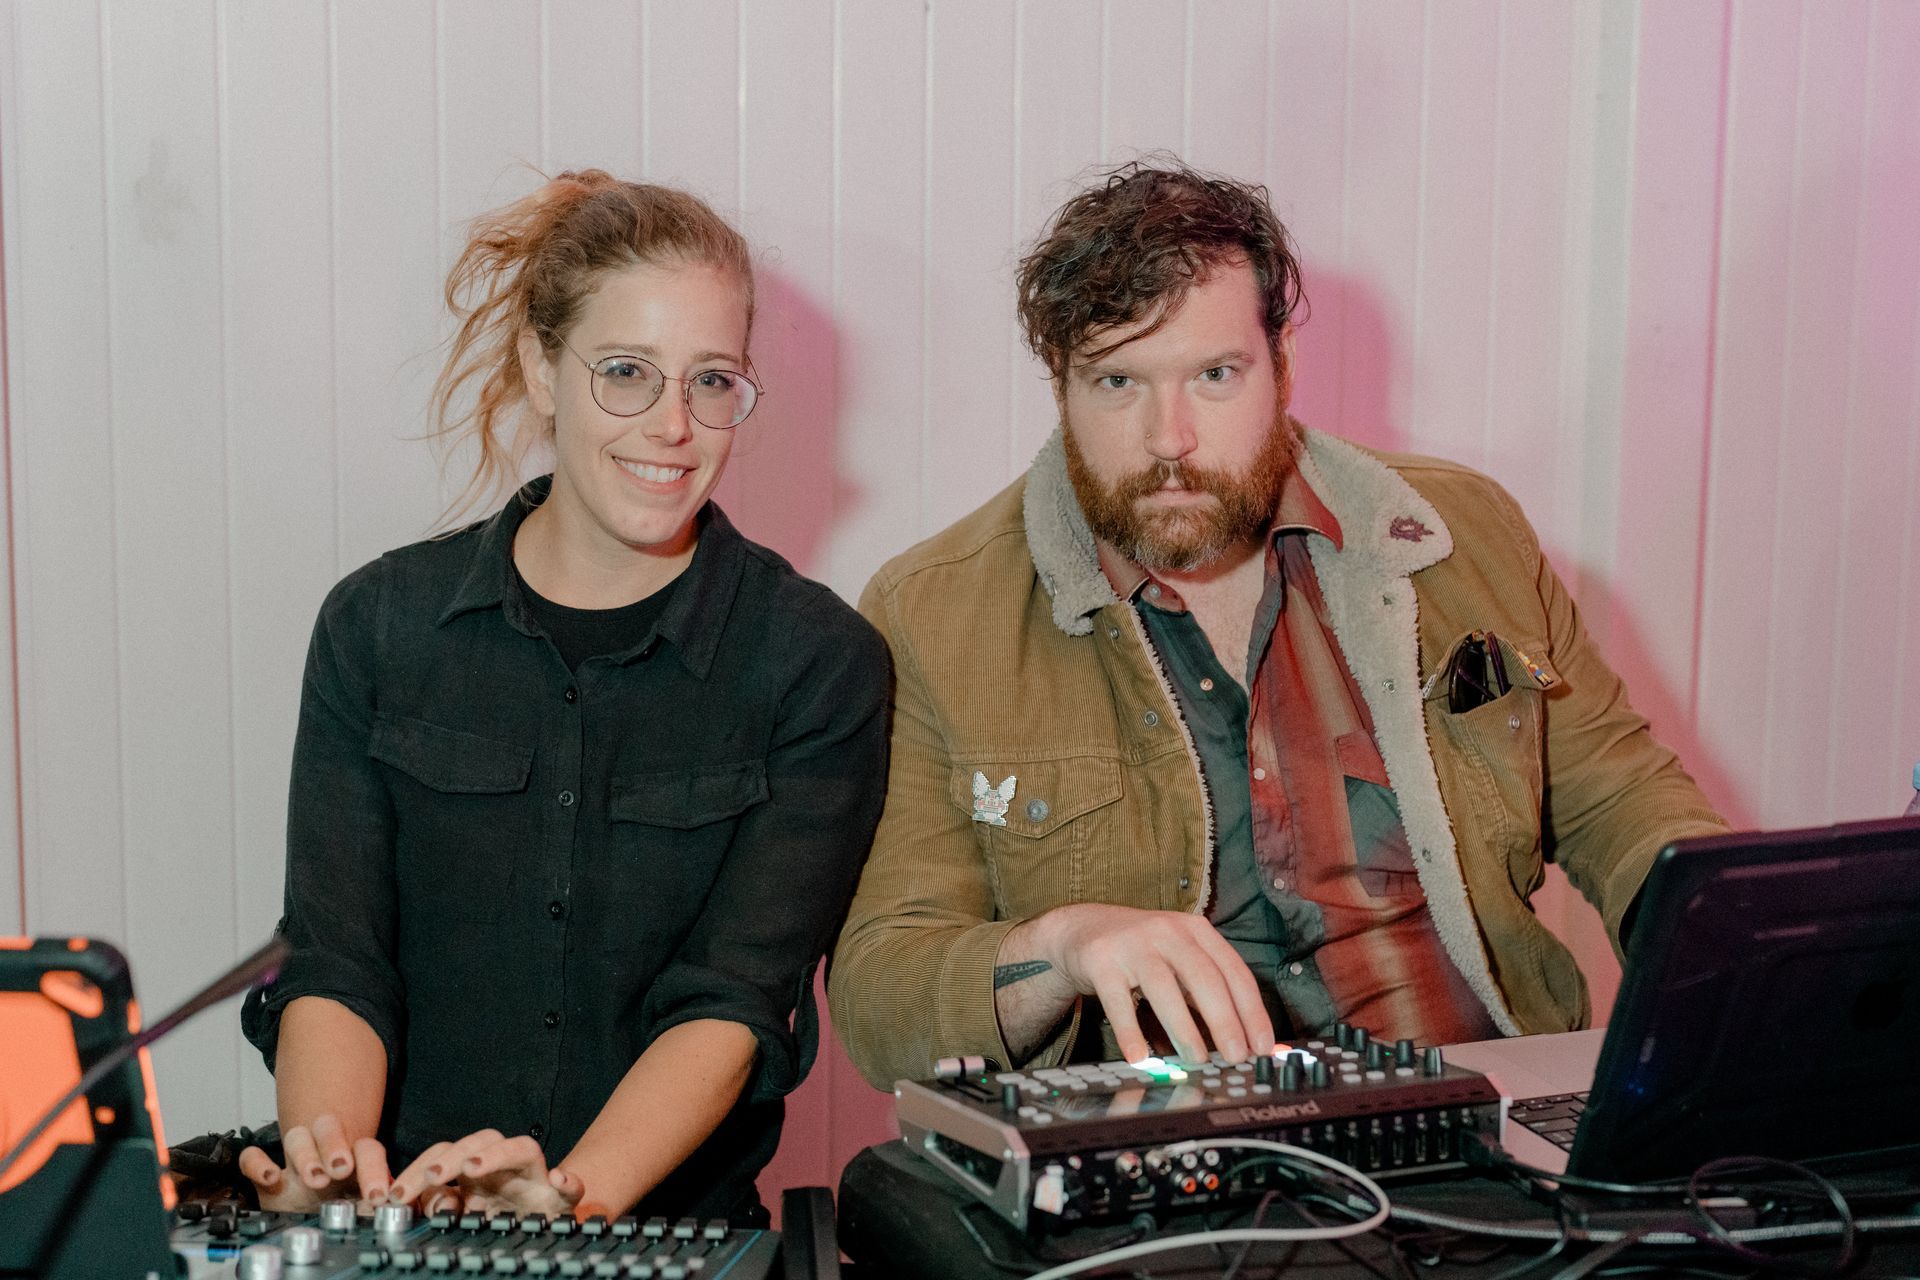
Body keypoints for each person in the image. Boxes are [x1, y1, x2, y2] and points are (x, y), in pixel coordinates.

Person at [827, 162, 1727, 1088]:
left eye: (1215, 375)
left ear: (1283, 367)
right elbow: (880, 992)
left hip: (1483, 1119)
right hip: (1172, 1171)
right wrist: (1061, 948)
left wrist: (1758, 946)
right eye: (1118, 383)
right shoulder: (933, 611)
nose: (1168, 437)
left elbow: (1622, 803)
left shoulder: (1463, 536)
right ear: (1060, 384)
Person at [235, 171, 889, 1223]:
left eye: (713, 380)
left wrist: (568, 1199)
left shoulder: (819, 664)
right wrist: (331, 1176)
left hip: (671, 1236)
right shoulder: (376, 629)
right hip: (400, 1225)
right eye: (626, 371)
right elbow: (336, 957)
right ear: (543, 369)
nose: (675, 426)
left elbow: (730, 998)